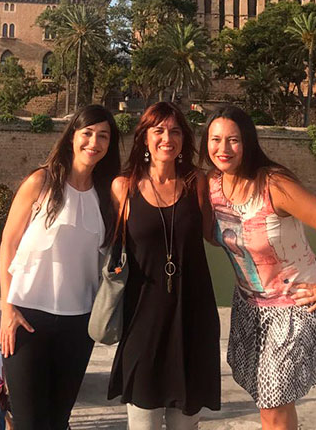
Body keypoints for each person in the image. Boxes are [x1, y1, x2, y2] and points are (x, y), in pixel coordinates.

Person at [204, 105, 316, 430]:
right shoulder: (213, 188)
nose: (223, 148)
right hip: (250, 307)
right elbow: (213, 236)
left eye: (233, 140)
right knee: (270, 400)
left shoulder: (274, 185)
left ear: (247, 142)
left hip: (293, 308)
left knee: (272, 404)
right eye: (215, 139)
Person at [0, 104, 121, 430]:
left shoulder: (106, 196)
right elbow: (8, 243)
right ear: (72, 137)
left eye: (103, 136)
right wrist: (7, 308)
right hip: (27, 317)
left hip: (78, 324)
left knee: (58, 421)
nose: (94, 142)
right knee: (27, 422)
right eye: (87, 133)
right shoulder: (41, 182)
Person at [108, 102, 221, 428]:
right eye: (158, 130)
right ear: (144, 138)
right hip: (142, 322)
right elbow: (106, 245)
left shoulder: (197, 183)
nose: (167, 138)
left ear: (184, 138)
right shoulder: (123, 188)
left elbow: (214, 235)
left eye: (174, 131)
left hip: (192, 319)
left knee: (186, 425)